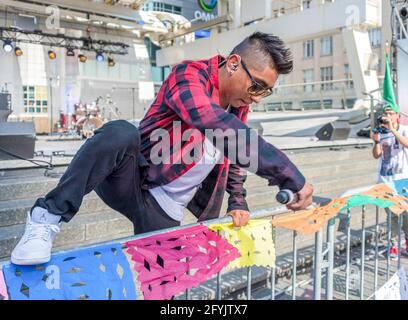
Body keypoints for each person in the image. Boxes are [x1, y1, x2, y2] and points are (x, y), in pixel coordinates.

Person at [11, 32, 313, 266]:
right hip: (132, 179)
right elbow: (213, 123)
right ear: (233, 63)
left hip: (165, 209)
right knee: (119, 132)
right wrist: (287, 174)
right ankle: (44, 220)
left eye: (266, 92)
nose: (258, 98)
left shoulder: (238, 105)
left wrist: (238, 200)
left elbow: (234, 152)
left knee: (162, 285)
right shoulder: (189, 75)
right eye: (257, 86)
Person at [371, 105, 408, 260]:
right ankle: (394, 245)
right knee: (391, 216)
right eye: (385, 113)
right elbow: (376, 155)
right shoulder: (380, 131)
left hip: (403, 181)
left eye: (390, 113)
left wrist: (393, 129)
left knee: (406, 214)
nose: (387, 116)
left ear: (396, 116)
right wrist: (376, 141)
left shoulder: (404, 129)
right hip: (385, 181)